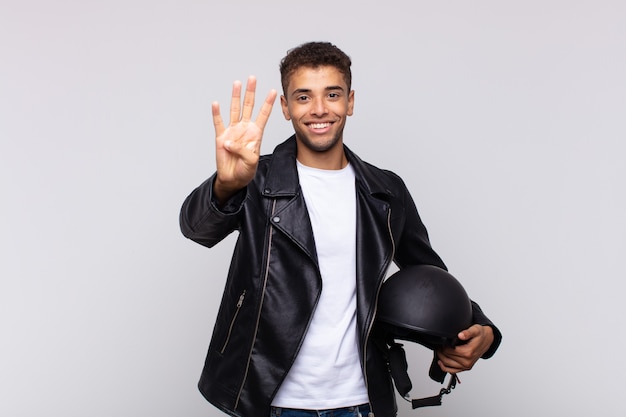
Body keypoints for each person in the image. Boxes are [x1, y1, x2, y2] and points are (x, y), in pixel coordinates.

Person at [179, 41, 501, 417]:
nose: (319, 109)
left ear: (350, 101)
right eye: (303, 97)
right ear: (285, 107)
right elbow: (197, 228)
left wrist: (482, 328)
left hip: (361, 401)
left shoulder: (385, 190)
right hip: (272, 402)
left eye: (332, 94)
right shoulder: (256, 179)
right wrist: (227, 184)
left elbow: (427, 274)